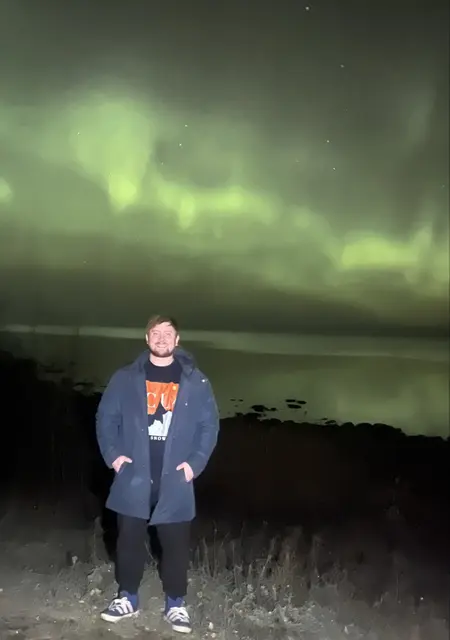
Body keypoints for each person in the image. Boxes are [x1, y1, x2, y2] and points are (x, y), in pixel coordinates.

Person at [96, 315, 220, 634]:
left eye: (168, 333)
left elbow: (209, 426)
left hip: (175, 477)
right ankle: (127, 597)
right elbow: (105, 418)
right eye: (156, 332)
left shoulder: (196, 381)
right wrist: (114, 457)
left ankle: (175, 604)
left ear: (177, 340)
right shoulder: (125, 378)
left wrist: (194, 464)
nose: (162, 338)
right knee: (128, 539)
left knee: (175, 543)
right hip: (134, 474)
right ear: (146, 338)